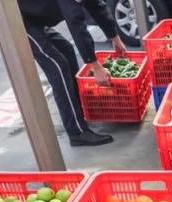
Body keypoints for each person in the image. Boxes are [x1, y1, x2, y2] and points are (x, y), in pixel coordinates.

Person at [17, 0, 125, 146]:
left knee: (67, 49)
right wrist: (95, 66)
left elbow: (97, 6)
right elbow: (75, 23)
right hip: (20, 22)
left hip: (35, 17)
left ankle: (79, 111)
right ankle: (77, 133)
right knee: (58, 67)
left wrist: (115, 38)